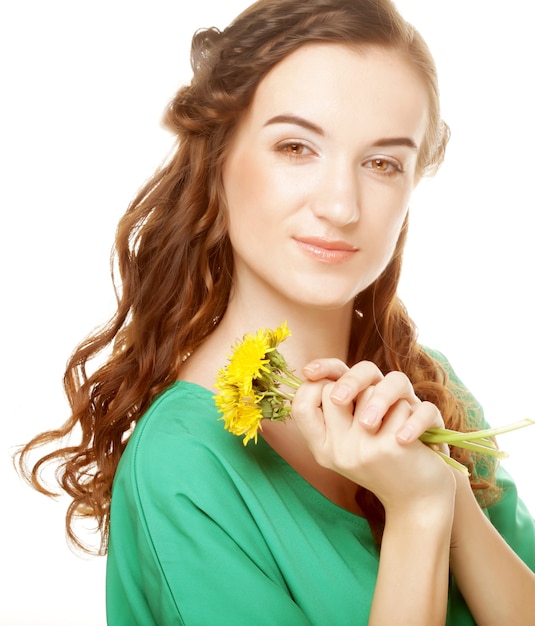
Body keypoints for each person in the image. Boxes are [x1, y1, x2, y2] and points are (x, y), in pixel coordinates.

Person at [16, 0, 535, 624]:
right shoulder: (184, 465)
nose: (342, 205)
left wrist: (447, 486)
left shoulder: (429, 388)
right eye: (296, 147)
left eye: (382, 163)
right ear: (218, 158)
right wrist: (420, 515)